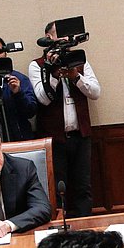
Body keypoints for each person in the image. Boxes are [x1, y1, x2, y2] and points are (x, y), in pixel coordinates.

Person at [28, 20, 101, 217]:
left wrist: (76, 76)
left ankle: (86, 231)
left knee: (83, 188)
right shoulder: (37, 66)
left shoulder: (80, 61)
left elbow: (95, 92)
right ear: (48, 37)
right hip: (54, 139)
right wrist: (53, 75)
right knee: (57, 188)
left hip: (81, 136)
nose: (67, 38)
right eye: (61, 34)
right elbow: (42, 99)